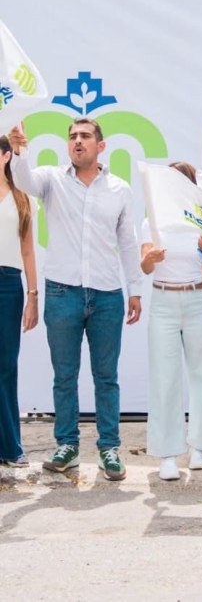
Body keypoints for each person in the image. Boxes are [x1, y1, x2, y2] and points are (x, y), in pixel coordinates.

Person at [8, 119, 143, 481]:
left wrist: (135, 289)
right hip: (61, 292)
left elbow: (128, 242)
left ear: (101, 146)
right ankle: (67, 445)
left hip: (107, 294)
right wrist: (20, 151)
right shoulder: (51, 179)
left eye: (84, 136)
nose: (77, 141)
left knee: (106, 376)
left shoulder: (119, 189)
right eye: (72, 137)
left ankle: (109, 448)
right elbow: (22, 180)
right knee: (64, 376)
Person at [140, 162, 202, 481]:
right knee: (165, 378)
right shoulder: (152, 221)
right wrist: (150, 259)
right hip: (163, 301)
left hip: (198, 299)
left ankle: (199, 446)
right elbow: (145, 266)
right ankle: (167, 454)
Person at [0, 135, 38, 467]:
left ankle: (10, 446)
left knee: (6, 366)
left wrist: (33, 295)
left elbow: (28, 251)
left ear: (5, 157)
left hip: (9, 285)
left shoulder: (22, 199)